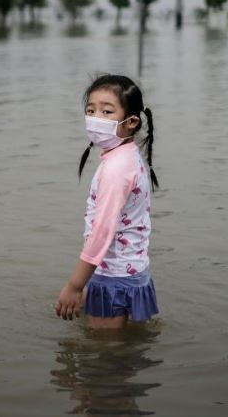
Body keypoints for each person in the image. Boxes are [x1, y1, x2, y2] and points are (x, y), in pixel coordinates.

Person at [55, 74, 160, 330]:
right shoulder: (128, 156)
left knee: (104, 360)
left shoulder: (115, 169)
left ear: (131, 122)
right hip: (132, 270)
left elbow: (102, 232)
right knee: (120, 351)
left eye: (107, 111)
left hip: (115, 276)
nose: (95, 118)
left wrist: (74, 286)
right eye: (90, 110)